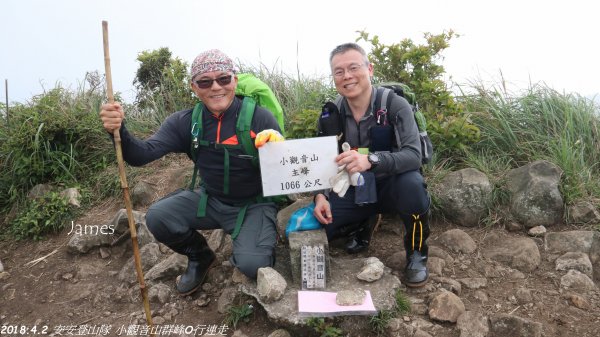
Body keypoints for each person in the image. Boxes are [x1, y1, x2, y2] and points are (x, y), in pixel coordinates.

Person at [99, 49, 284, 295]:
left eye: (223, 79)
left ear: (235, 81)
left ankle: (253, 241)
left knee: (252, 265)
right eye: (205, 82)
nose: (216, 87)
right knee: (158, 217)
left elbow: (285, 172)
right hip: (212, 200)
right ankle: (200, 256)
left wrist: (278, 149)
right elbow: (140, 155)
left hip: (254, 204)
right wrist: (119, 131)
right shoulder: (185, 123)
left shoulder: (259, 117)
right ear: (194, 87)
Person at [313, 43, 431, 287]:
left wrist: (371, 160)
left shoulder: (394, 105)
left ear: (370, 69)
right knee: (314, 228)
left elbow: (413, 156)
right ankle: (362, 222)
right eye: (339, 71)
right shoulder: (330, 114)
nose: (347, 76)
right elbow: (321, 161)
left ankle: (417, 252)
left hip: (392, 186)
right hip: (353, 189)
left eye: (353, 67)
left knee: (413, 185)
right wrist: (319, 196)